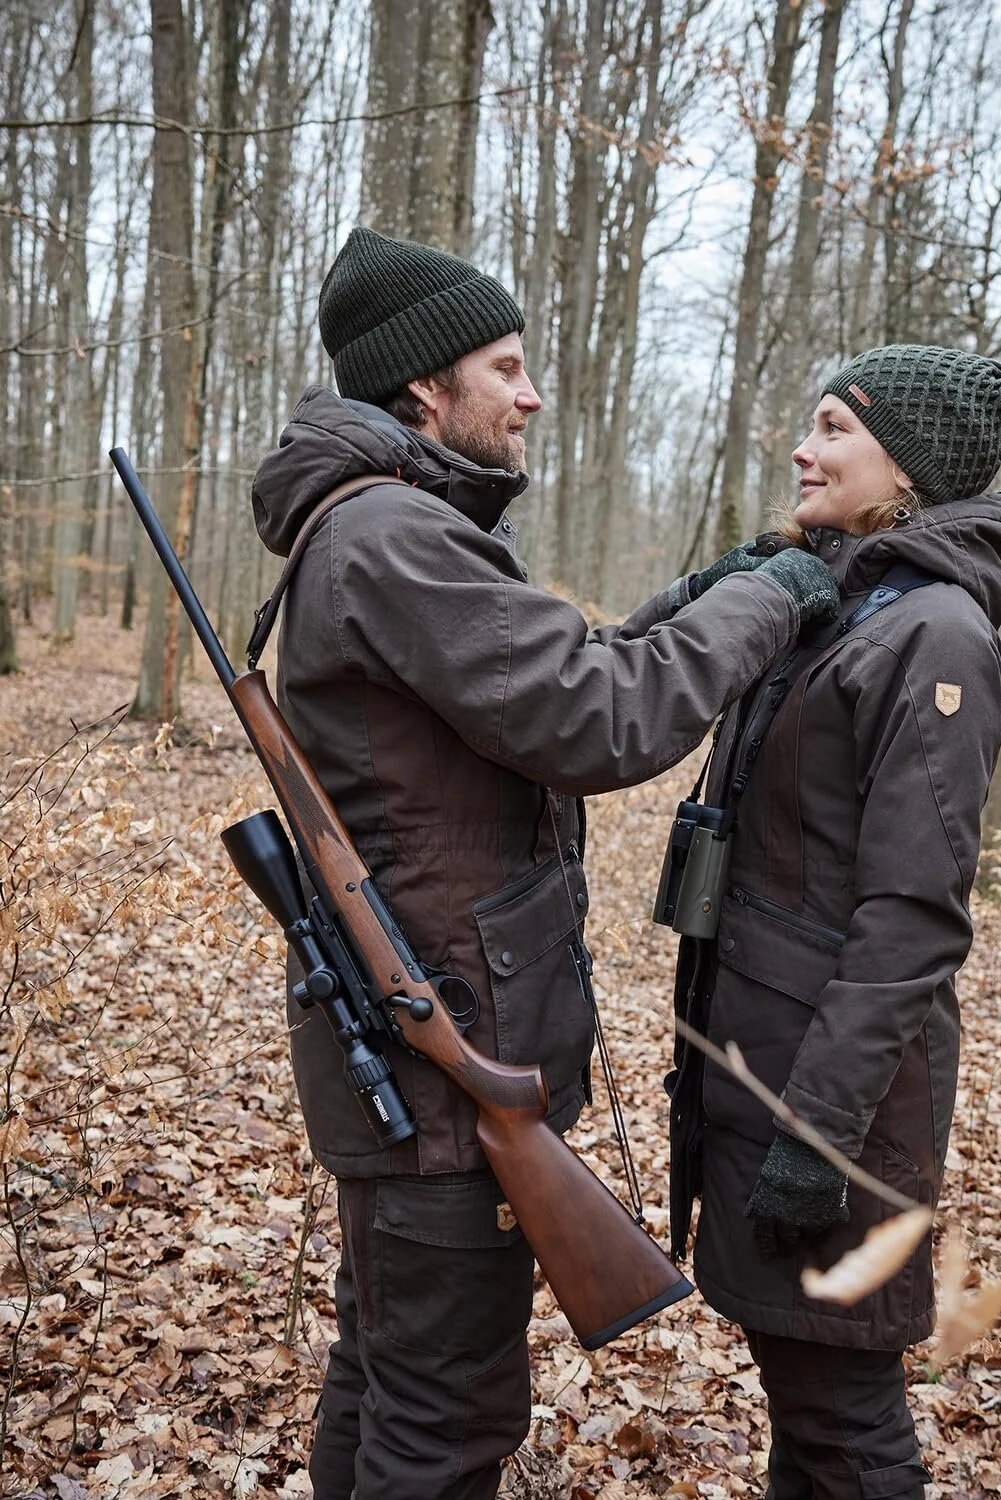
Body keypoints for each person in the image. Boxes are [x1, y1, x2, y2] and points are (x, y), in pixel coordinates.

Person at [248, 226, 842, 1500]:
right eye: (505, 367)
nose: (529, 395)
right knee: (444, 1426)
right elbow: (597, 720)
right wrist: (778, 596)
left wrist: (709, 588)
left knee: (390, 1382)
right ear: (424, 389)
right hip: (447, 1075)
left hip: (432, 1060)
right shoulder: (393, 537)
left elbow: (555, 681)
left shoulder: (387, 532)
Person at [668, 344, 1001, 1500]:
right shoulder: (842, 602)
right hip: (768, 1072)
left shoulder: (936, 635)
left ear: (907, 474)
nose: (800, 448)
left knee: (847, 1423)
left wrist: (814, 1142)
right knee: (807, 1411)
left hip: (834, 1105)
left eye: (832, 429)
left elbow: (912, 923)